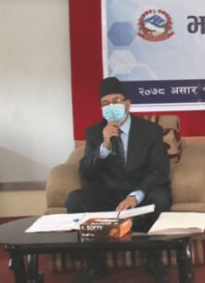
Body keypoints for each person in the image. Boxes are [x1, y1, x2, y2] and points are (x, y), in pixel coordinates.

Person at [67, 77, 172, 283]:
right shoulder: (94, 133)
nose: (111, 107)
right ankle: (95, 264)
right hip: (110, 194)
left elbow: (159, 170)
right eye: (105, 103)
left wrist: (135, 195)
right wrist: (104, 147)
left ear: (127, 104)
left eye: (116, 101)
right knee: (75, 199)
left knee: (161, 197)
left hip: (142, 193)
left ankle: (154, 260)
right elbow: (87, 174)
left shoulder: (149, 131)